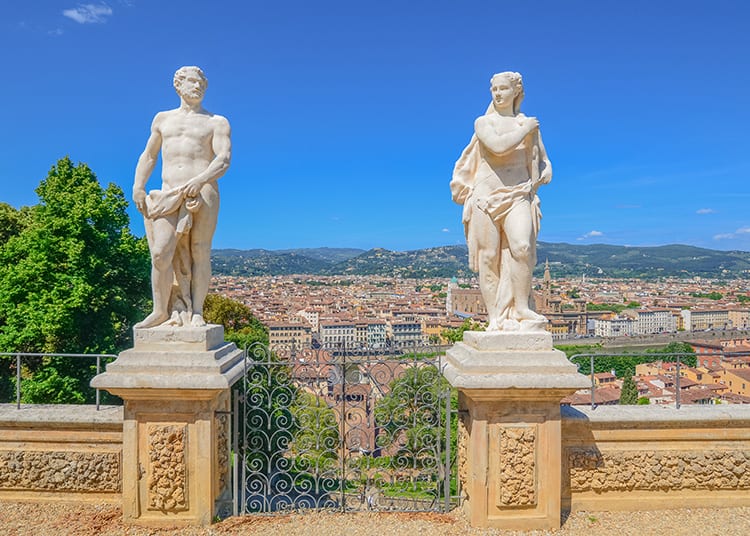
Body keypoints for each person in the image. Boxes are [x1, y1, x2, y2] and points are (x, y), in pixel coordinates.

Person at [450, 72, 551, 331]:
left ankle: (520, 308)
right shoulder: (484, 123)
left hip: (518, 194)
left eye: (503, 88)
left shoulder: (529, 125)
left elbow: (543, 161)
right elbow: (497, 147)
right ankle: (495, 316)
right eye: (493, 89)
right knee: (488, 258)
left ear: (515, 91)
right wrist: (526, 129)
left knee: (522, 249)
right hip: (485, 197)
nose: (497, 93)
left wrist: (545, 170)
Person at [132, 66, 231, 328]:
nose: (197, 87)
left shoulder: (216, 122)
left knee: (200, 250)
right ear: (178, 85)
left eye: (201, 83)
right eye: (192, 82)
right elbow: (150, 155)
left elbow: (223, 159)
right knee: (160, 253)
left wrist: (199, 180)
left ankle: (196, 310)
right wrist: (138, 186)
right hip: (168, 192)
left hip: (205, 189)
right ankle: (161, 310)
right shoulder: (162, 119)